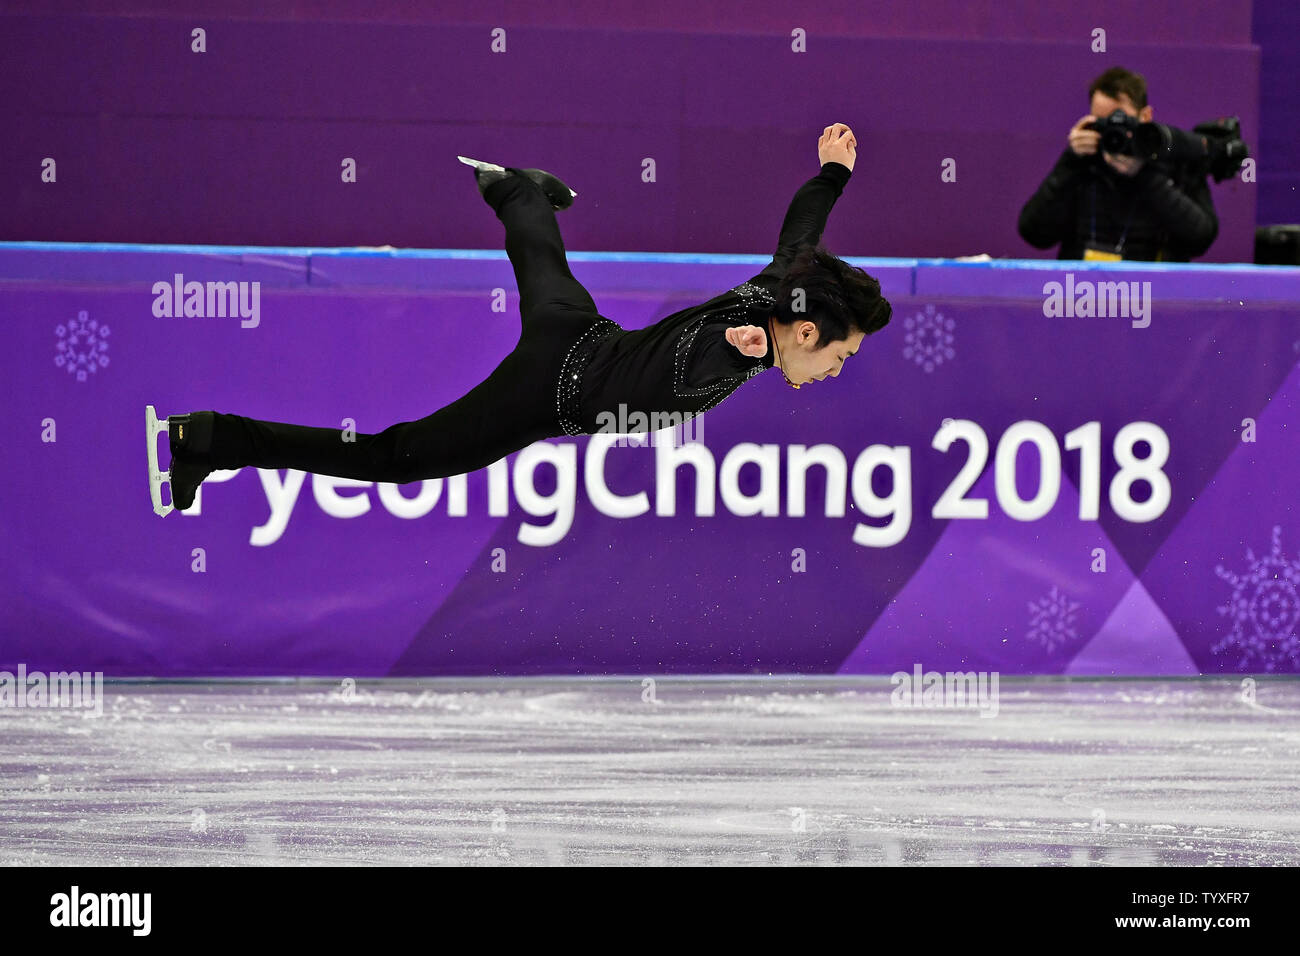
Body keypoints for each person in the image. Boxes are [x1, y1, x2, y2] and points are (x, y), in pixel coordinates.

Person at [147, 123, 891, 515]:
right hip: (550, 392)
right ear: (803, 332)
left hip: (582, 338)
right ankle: (209, 438)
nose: (834, 369)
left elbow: (802, 234)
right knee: (392, 458)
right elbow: (704, 355)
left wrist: (833, 173)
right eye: (841, 356)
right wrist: (738, 348)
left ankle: (515, 188)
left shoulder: (779, 289)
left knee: (544, 268)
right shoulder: (751, 340)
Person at [1017, 66, 1218, 261]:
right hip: (1083, 289)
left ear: (1145, 116)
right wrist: (1069, 162)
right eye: (1104, 122)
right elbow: (1034, 234)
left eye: (1123, 122)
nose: (1114, 132)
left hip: (1153, 290)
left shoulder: (1172, 160)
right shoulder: (1081, 164)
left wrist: (1144, 176)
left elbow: (1201, 239)